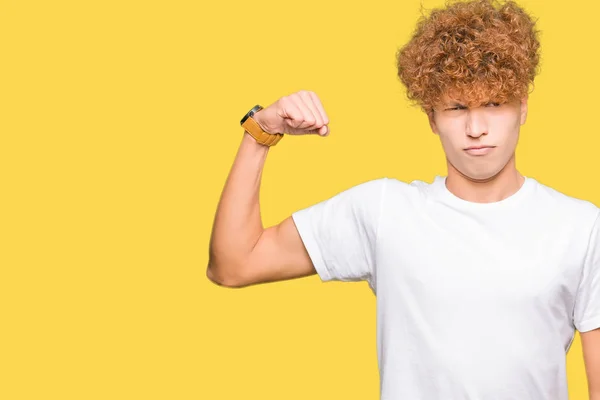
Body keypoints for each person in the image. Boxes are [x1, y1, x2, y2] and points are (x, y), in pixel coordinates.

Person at [206, 0, 600, 398]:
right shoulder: (384, 212)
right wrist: (260, 131)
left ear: (523, 108)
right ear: (432, 117)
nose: (476, 128)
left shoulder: (582, 228)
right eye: (456, 107)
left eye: (494, 104)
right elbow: (233, 264)